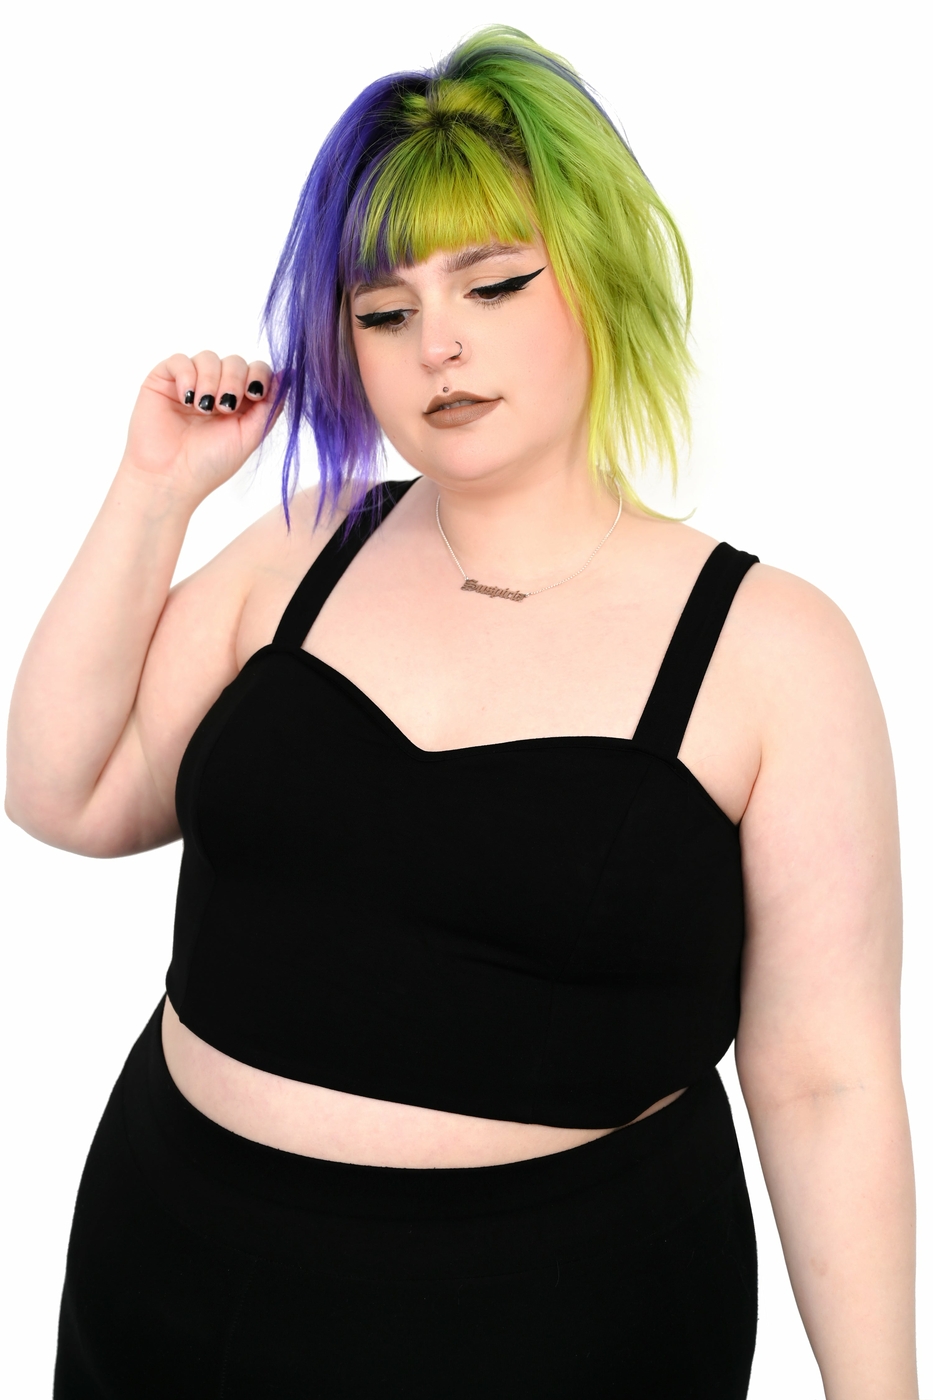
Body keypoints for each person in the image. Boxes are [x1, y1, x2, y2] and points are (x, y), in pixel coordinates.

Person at [5, 25, 917, 1400]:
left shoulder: (772, 649)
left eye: (492, 284)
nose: (437, 345)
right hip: (172, 1278)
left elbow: (824, 1081)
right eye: (383, 314)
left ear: (596, 276)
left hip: (564, 1328)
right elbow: (63, 791)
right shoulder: (304, 546)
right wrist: (155, 492)